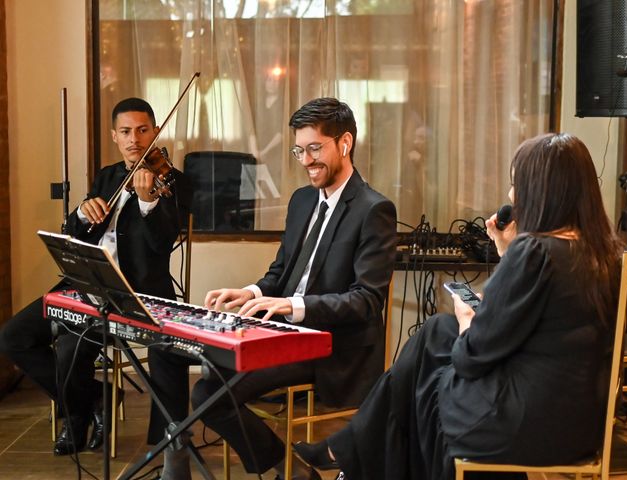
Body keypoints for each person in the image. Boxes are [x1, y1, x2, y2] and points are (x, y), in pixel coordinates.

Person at [294, 132, 625, 480]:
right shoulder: (602, 253)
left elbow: (471, 357)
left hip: (520, 425)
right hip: (576, 426)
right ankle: (349, 450)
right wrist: (507, 255)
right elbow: (540, 320)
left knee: (424, 375)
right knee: (437, 332)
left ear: (541, 190)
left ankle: (351, 452)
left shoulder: (535, 252)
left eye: (517, 184)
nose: (512, 195)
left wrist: (468, 315)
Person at [151, 97, 397, 480]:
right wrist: (250, 292)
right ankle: (278, 466)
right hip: (281, 328)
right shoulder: (302, 201)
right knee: (171, 353)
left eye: (315, 148)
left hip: (331, 344)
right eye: (299, 150)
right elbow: (280, 272)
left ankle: (288, 468)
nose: (305, 160)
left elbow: (367, 301)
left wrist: (291, 306)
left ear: (345, 143)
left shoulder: (374, 209)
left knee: (209, 394)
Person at [0, 97, 192, 456]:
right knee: (13, 337)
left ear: (155, 131)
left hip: (137, 293)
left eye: (142, 130)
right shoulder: (107, 176)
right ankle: (99, 398)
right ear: (114, 136)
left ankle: (75, 418)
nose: (134, 139)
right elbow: (76, 233)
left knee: (71, 347)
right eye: (125, 132)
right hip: (86, 284)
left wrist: (149, 201)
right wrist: (83, 214)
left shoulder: (175, 182)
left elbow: (163, 244)